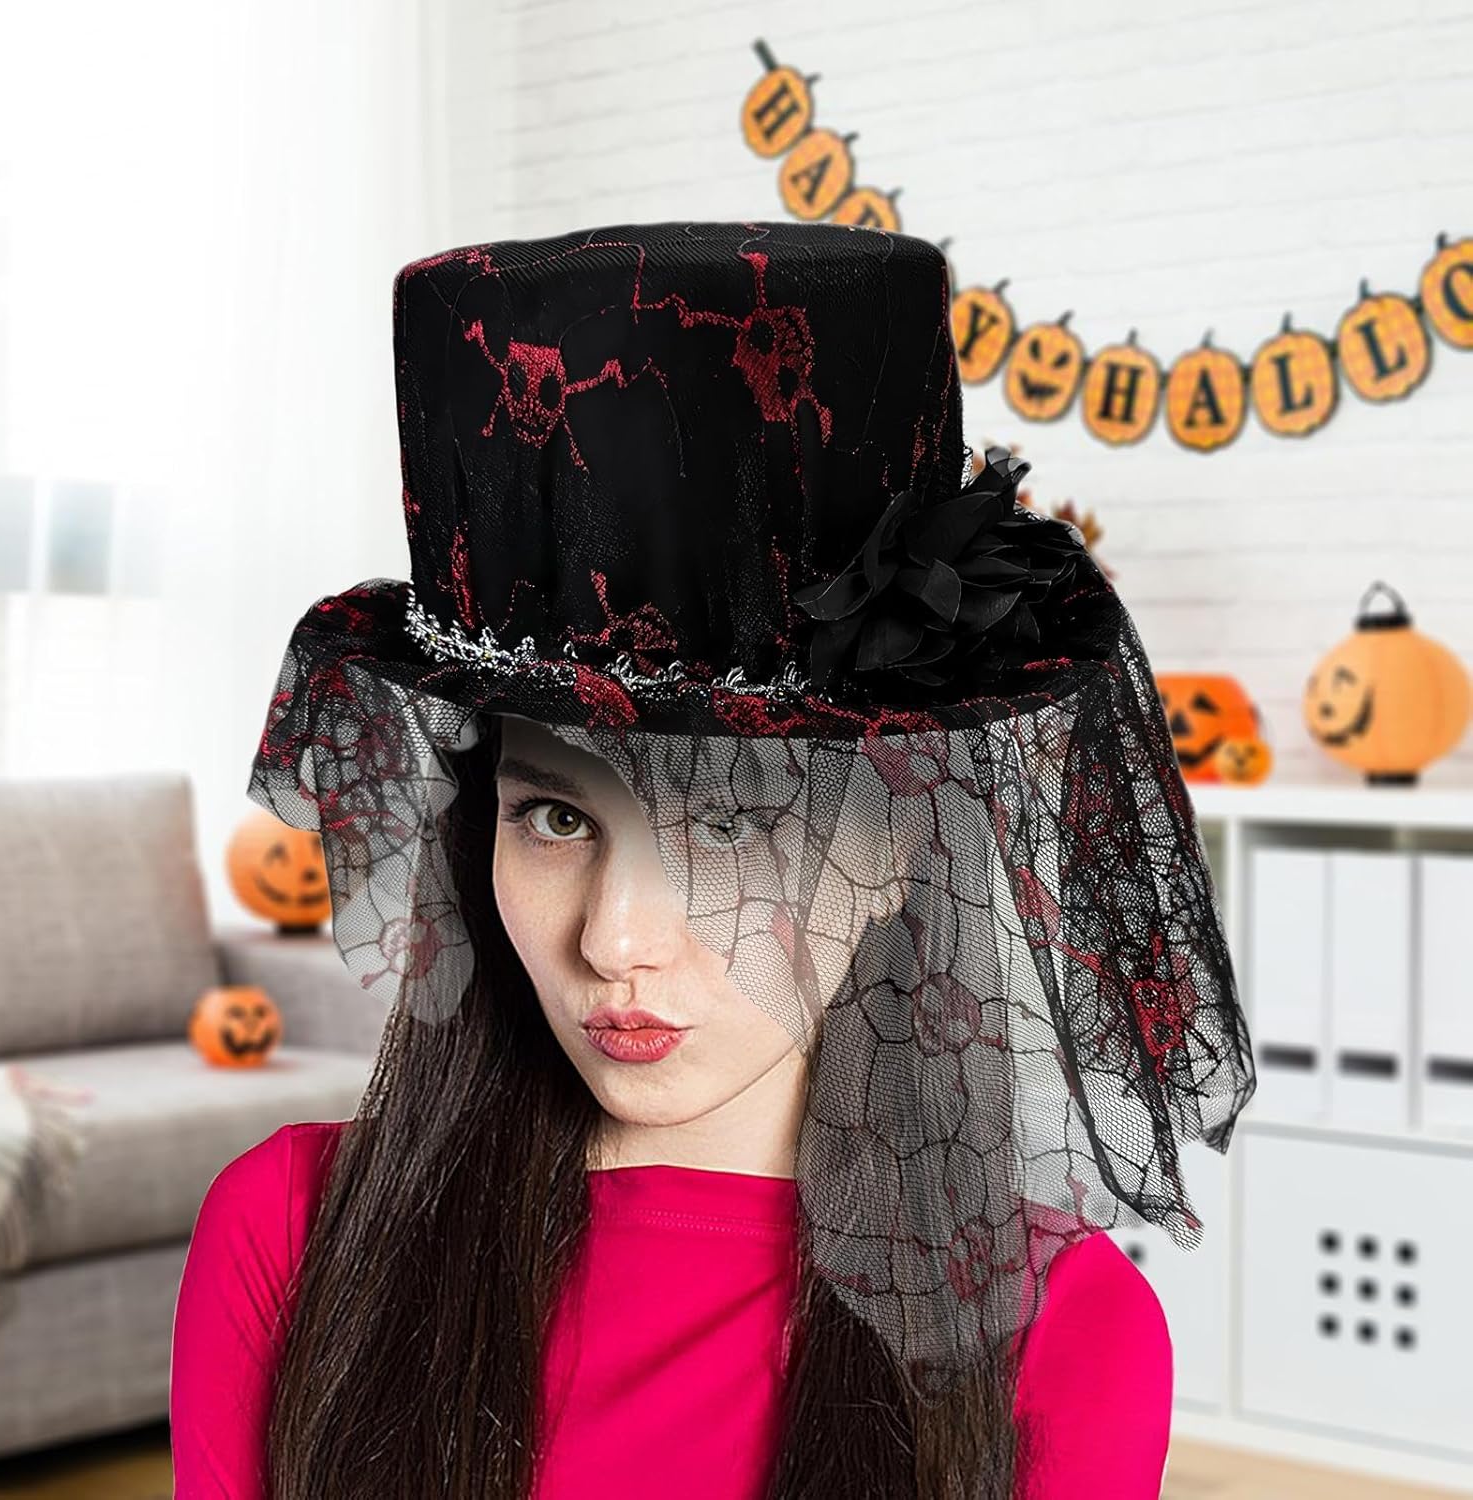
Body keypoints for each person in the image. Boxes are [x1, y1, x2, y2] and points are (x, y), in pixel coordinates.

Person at [170, 221, 1255, 1499]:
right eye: (555, 818)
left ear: (902, 844)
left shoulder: (1058, 1339)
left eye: (733, 827)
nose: (614, 941)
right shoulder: (292, 1232)